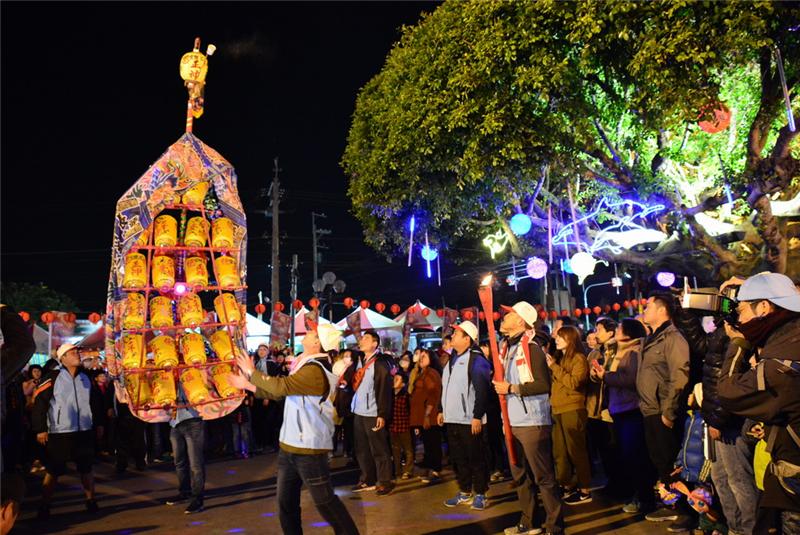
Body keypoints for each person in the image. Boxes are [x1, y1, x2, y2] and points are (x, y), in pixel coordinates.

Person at [229, 323, 359, 535]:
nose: (306, 334)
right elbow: (282, 393)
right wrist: (249, 384)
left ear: (317, 342)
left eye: (310, 332)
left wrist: (252, 373)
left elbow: (282, 387)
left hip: (310, 448)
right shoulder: (305, 365)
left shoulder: (316, 370)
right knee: (286, 504)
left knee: (325, 502)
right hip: (290, 445)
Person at [717, 272, 800, 534]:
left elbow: (729, 392)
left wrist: (739, 343)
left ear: (764, 306)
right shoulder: (791, 339)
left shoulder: (781, 363)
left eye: (741, 310)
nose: (739, 319)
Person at [493, 301, 564, 535]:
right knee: (521, 477)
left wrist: (511, 388)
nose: (504, 316)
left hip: (532, 421)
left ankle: (554, 526)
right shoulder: (508, 348)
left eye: (510, 314)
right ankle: (528, 522)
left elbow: (543, 385)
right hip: (513, 421)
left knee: (543, 477)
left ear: (521, 321)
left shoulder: (531, 348)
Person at [31, 344, 105, 518]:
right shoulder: (52, 377)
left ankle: (91, 501)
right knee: (53, 470)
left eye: (77, 352)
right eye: (72, 353)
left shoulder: (86, 378)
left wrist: (99, 423)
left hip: (84, 430)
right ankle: (44, 505)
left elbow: (95, 402)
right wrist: (40, 429)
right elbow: (39, 404)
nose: (77, 355)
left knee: (86, 468)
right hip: (59, 431)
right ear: (62, 358)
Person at [591, 318, 655, 514]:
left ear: (629, 332)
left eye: (619, 328)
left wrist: (606, 377)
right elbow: (609, 373)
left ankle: (645, 498)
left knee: (636, 456)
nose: (616, 330)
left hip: (631, 408)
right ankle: (635, 494)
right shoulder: (615, 351)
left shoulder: (634, 351)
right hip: (617, 408)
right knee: (625, 455)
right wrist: (599, 374)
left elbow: (631, 379)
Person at [637, 293, 691, 525]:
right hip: (649, 409)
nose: (644, 309)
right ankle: (671, 505)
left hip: (662, 411)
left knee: (671, 462)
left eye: (648, 306)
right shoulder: (652, 338)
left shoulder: (673, 337)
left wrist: (669, 412)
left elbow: (680, 375)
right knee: (660, 462)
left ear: (661, 310)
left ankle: (686, 512)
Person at [702, 317, 758, 535]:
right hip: (714, 416)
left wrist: (718, 419)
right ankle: (734, 528)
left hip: (729, 421)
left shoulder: (741, 340)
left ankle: (749, 529)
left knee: (739, 480)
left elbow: (730, 384)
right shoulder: (721, 333)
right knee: (721, 479)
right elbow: (703, 351)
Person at [437, 320, 492, 511]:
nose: (452, 336)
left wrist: (477, 416)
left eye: (456, 334)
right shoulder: (452, 358)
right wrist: (441, 410)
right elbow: (446, 387)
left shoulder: (476, 360)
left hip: (470, 420)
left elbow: (482, 390)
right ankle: (465, 491)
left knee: (476, 458)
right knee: (459, 459)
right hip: (452, 418)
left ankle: (481, 494)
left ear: (467, 338)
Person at [547, 325, 592, 505]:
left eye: (561, 337)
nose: (556, 340)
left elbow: (574, 383)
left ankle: (585, 489)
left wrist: (555, 368)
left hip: (573, 409)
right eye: (557, 337)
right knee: (560, 452)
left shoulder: (579, 359)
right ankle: (567, 485)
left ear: (570, 339)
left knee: (576, 452)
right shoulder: (560, 357)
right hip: (557, 409)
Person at [350, 331, 395, 495]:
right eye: (362, 338)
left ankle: (385, 481)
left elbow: (384, 390)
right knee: (362, 449)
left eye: (366, 338)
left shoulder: (379, 363)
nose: (362, 341)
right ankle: (367, 479)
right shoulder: (361, 361)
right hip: (359, 411)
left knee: (379, 449)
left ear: (375, 344)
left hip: (373, 412)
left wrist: (382, 414)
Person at [585, 317, 619, 496]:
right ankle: (612, 482)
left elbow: (611, 376)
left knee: (612, 447)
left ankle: (619, 484)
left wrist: (600, 375)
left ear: (610, 333)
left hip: (609, 406)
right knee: (604, 448)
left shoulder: (615, 351)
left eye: (599, 330)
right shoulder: (597, 352)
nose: (595, 334)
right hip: (596, 406)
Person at [164, 380, 206, 514]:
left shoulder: (190, 371)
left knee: (195, 463)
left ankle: (197, 499)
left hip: (192, 420)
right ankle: (184, 491)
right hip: (174, 422)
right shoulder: (167, 374)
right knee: (179, 461)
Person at [409, 348, 443, 484]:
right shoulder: (423, 372)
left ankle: (435, 470)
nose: (421, 358)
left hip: (429, 416)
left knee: (432, 443)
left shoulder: (431, 373)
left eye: (424, 356)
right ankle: (431, 468)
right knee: (428, 443)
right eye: (420, 356)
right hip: (423, 415)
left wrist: (428, 415)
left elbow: (433, 394)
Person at [390, 373, 413, 479]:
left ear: (403, 384)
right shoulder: (390, 395)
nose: (394, 380)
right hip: (393, 427)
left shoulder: (406, 396)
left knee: (408, 449)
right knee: (395, 450)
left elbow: (410, 411)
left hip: (404, 426)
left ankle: (408, 470)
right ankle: (397, 471)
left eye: (398, 379)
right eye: (394, 378)